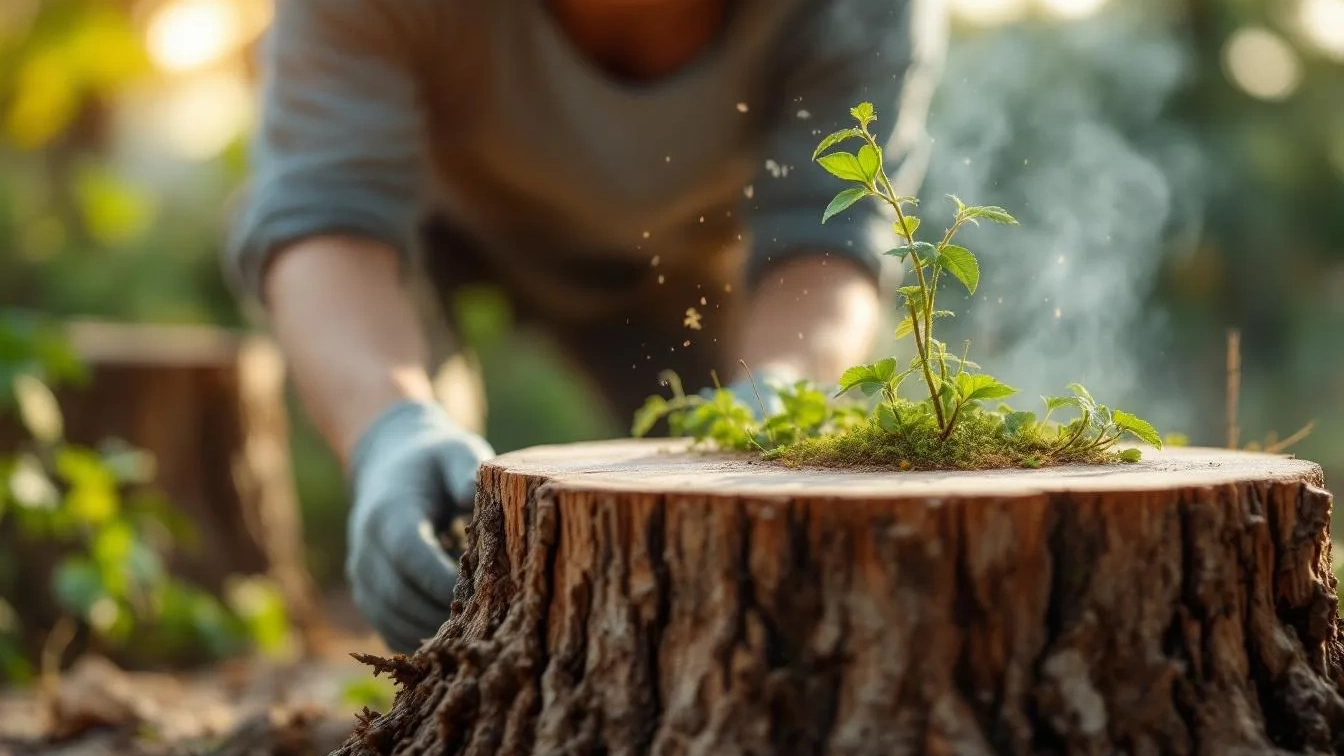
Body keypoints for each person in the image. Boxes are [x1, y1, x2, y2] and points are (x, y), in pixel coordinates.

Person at [226, 0, 946, 653]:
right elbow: (325, 214)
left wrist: (787, 388)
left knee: (706, 566)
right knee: (438, 513)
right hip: (432, 238)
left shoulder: (863, 10)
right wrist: (387, 430)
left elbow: (825, 241)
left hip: (681, 277)